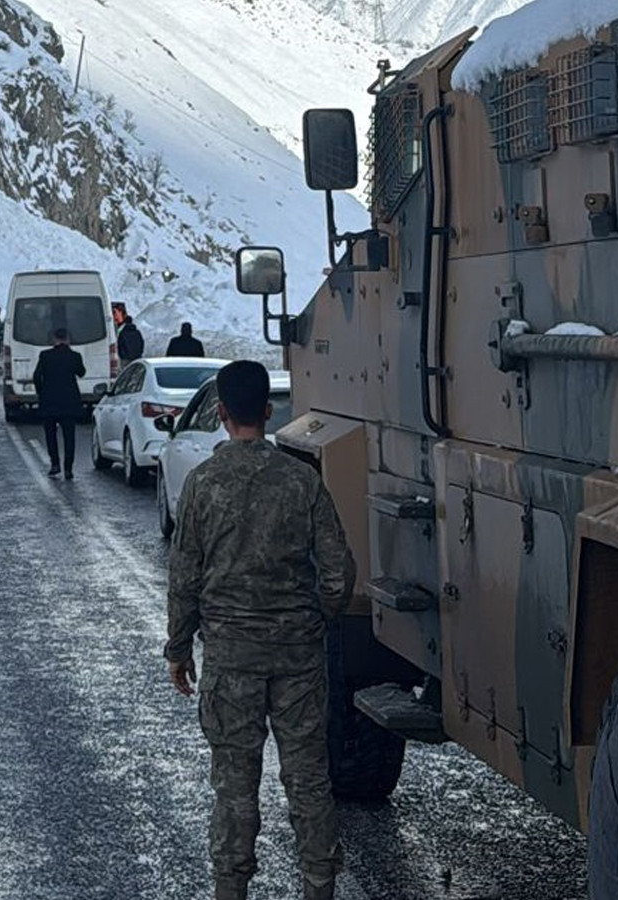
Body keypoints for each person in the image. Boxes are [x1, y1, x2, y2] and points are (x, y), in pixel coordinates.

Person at [164, 360, 356, 900]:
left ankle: (232, 888)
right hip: (297, 655)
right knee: (309, 781)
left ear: (222, 414)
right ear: (268, 413)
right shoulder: (302, 481)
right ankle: (318, 886)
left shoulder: (202, 485)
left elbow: (184, 576)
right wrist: (317, 617)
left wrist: (179, 649)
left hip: (230, 658)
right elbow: (339, 569)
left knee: (233, 785)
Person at [32, 328, 86, 478]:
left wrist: (41, 393)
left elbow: (37, 376)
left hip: (49, 401)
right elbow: (82, 372)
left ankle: (55, 464)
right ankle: (68, 468)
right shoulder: (75, 356)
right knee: (69, 436)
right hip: (69, 402)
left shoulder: (45, 355)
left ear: (55, 339)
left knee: (51, 435)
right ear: (68, 339)